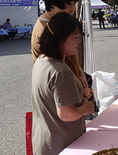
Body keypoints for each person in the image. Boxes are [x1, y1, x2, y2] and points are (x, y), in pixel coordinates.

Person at [32, 12, 95, 155]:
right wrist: (86, 107)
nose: (79, 41)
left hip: (47, 141)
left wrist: (77, 101)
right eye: (74, 37)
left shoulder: (42, 60)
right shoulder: (60, 71)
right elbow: (67, 115)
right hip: (61, 145)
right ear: (59, 39)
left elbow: (53, 101)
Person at [31, 0, 93, 101]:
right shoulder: (45, 30)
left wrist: (79, 71)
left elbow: (70, 58)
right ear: (53, 4)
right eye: (68, 4)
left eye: (74, 3)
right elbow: (57, 69)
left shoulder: (57, 23)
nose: (72, 9)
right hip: (60, 94)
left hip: (71, 88)